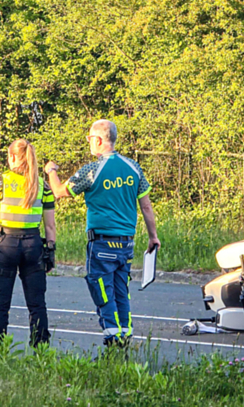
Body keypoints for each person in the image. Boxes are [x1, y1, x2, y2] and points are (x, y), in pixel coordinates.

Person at [44, 120, 160, 348]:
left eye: (89, 138)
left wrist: (51, 171)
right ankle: (125, 335)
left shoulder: (92, 170)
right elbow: (146, 207)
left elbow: (58, 191)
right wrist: (152, 236)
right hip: (126, 244)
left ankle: (113, 339)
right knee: (121, 290)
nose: (88, 142)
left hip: (101, 243)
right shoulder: (133, 167)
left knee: (102, 290)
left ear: (98, 140)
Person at [0, 139, 56, 349]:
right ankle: (41, 350)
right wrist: (50, 253)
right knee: (37, 304)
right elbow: (50, 226)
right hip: (33, 246)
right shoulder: (43, 186)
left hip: (5, 246)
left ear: (12, 157)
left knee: (0, 306)